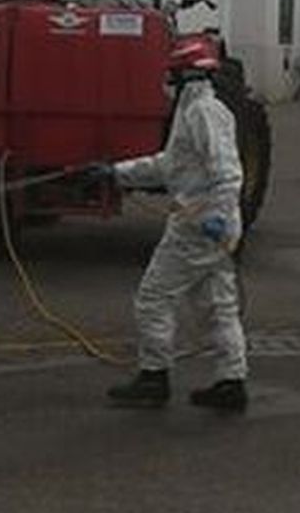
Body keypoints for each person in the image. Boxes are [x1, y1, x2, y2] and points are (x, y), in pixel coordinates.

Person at [100, 36, 248, 413]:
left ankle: (154, 376)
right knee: (219, 306)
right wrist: (114, 173)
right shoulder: (195, 111)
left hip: (198, 225)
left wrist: (214, 218)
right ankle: (231, 382)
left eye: (170, 75)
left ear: (185, 76)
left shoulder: (202, 113)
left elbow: (227, 173)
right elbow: (169, 165)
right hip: (211, 226)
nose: (165, 83)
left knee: (153, 296)